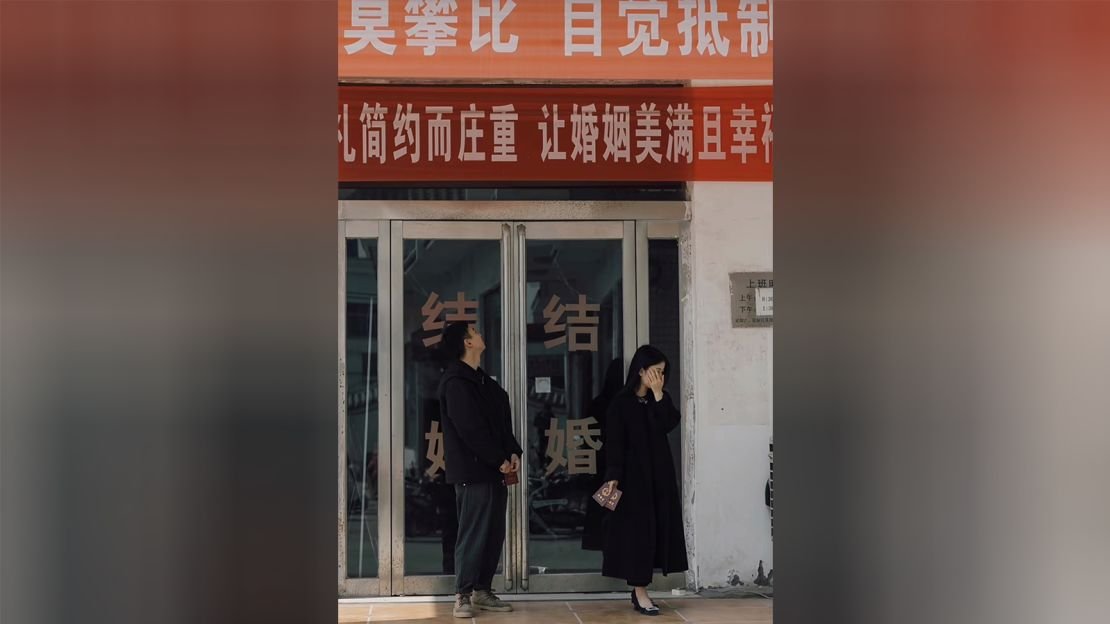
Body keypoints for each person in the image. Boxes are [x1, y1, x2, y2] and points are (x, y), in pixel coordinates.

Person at [437, 321, 523, 619]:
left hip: (495, 469)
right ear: (467, 342)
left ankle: (483, 590)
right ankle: (462, 594)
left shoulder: (484, 382)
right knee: (473, 533)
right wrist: (497, 458)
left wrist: (513, 452)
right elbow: (469, 430)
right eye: (475, 332)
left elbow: (501, 425)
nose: (481, 334)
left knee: (493, 532)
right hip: (473, 472)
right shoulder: (456, 382)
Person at [600, 345, 688, 616]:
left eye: (662, 373)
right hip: (632, 481)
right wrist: (613, 477)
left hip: (659, 479)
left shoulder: (659, 400)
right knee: (637, 536)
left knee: (657, 533)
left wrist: (659, 394)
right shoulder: (621, 403)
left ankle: (640, 590)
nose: (659, 377)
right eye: (655, 372)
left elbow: (668, 423)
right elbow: (614, 444)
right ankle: (640, 592)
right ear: (640, 371)